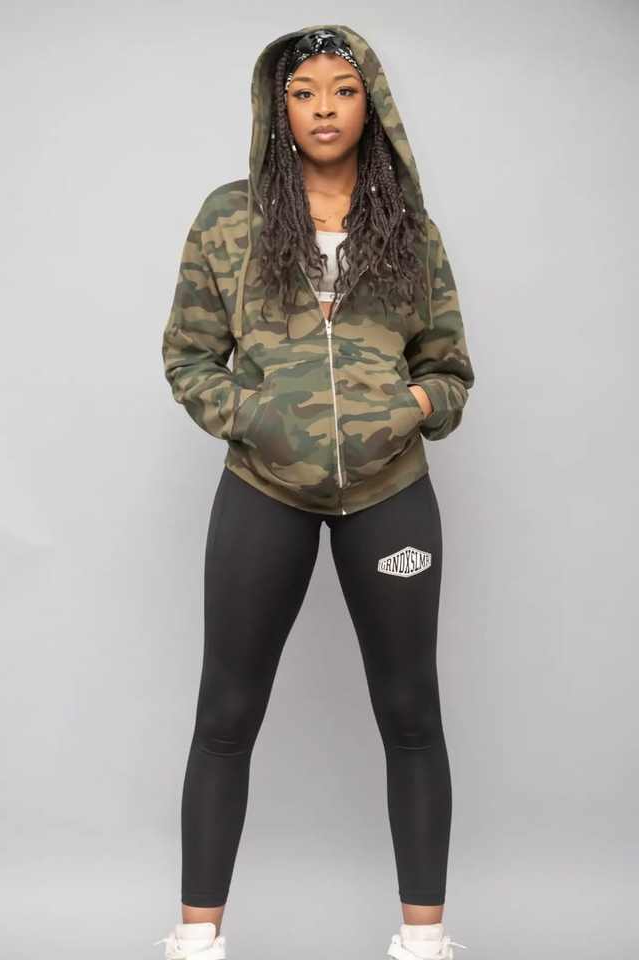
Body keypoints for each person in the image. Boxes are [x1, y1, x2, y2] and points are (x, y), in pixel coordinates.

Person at [155, 23, 474, 960]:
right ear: (278, 106)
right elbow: (187, 358)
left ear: (371, 103)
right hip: (265, 489)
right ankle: (197, 942)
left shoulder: (410, 229)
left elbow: (451, 370)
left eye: (342, 90)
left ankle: (424, 943)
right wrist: (258, 418)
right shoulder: (230, 218)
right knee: (225, 714)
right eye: (303, 93)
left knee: (411, 713)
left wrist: (410, 406)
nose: (324, 109)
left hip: (389, 491)